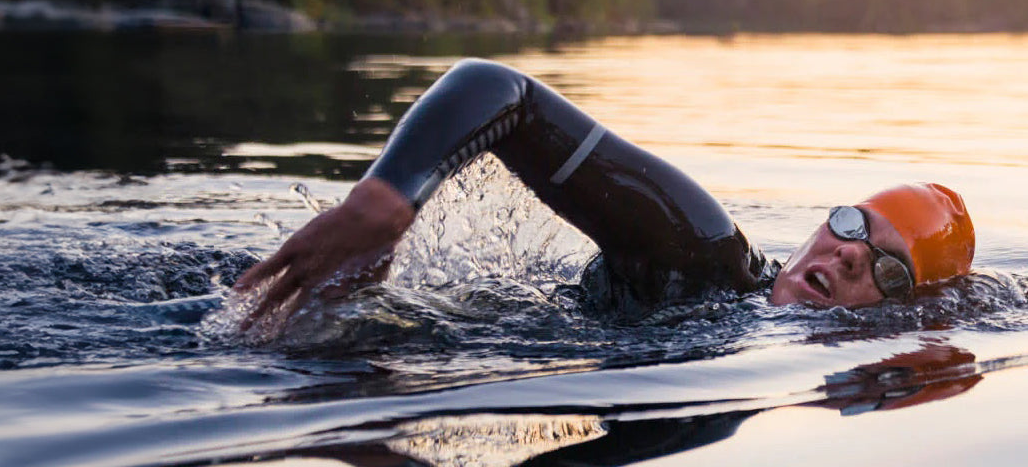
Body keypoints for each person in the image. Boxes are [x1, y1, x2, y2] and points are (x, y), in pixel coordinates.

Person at [233, 59, 977, 331]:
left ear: (906, 310)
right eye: (853, 224)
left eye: (885, 271)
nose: (848, 256)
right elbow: (504, 93)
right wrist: (385, 203)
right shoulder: (705, 253)